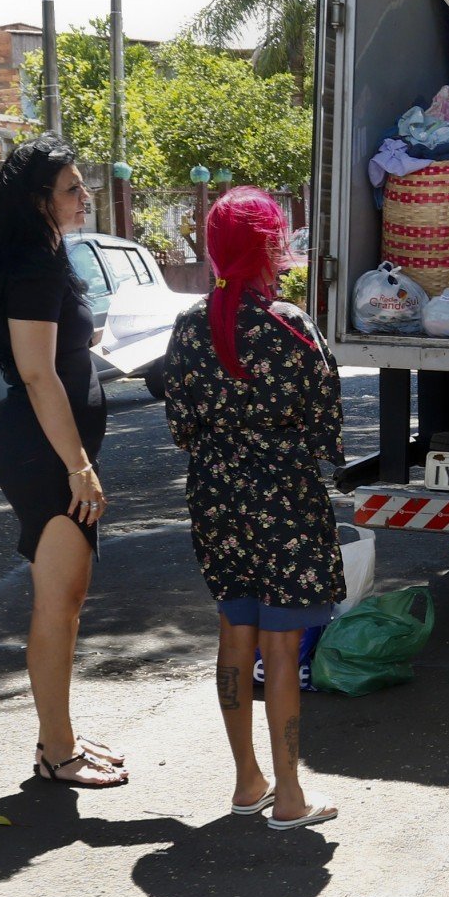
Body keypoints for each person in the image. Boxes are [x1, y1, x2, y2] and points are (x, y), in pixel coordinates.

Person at [163, 187, 343, 830]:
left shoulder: (188, 326)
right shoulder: (290, 323)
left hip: (215, 498)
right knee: (282, 643)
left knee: (235, 633)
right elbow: (327, 428)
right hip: (286, 500)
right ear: (272, 249)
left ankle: (248, 782)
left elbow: (181, 425)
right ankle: (291, 796)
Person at [0, 135, 125, 789]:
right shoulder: (35, 261)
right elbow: (38, 374)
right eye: (72, 187)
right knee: (57, 603)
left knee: (64, 600)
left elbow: (59, 348)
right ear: (39, 199)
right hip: (43, 453)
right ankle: (57, 754)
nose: (84, 195)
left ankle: (56, 737)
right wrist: (79, 465)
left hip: (47, 446)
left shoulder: (44, 254)